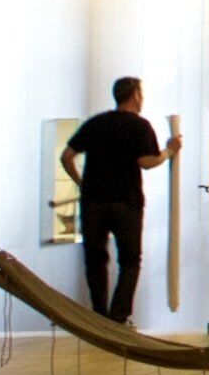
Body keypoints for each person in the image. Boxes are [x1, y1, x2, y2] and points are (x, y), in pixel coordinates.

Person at [60, 78, 178, 324]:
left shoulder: (96, 123)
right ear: (134, 95)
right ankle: (118, 317)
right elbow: (147, 162)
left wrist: (83, 184)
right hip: (127, 201)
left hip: (93, 202)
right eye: (141, 93)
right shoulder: (140, 126)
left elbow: (67, 156)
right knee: (130, 260)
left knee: (95, 260)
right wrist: (169, 151)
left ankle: (99, 316)